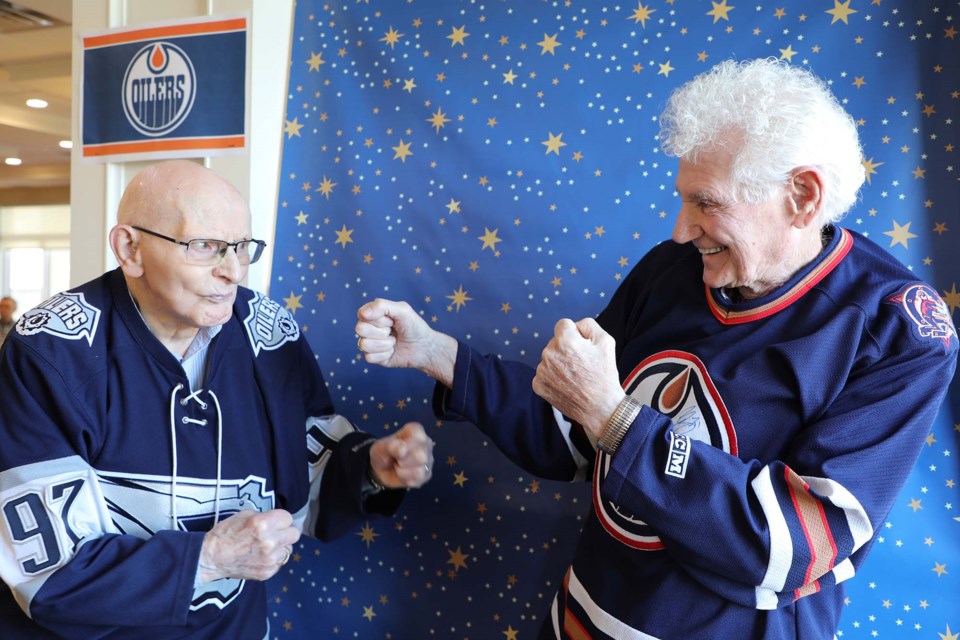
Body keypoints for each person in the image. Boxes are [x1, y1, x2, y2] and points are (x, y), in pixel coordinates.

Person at [356, 58, 958, 639]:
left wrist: (616, 419)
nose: (680, 228)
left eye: (707, 203)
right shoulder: (672, 270)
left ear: (801, 196)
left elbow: (792, 546)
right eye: (684, 197)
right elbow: (568, 428)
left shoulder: (895, 332)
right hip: (581, 619)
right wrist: (437, 353)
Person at [0, 160, 434, 639]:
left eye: (242, 248)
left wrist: (371, 467)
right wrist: (206, 559)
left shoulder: (269, 333)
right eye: (204, 246)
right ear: (130, 248)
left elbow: (304, 471)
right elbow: (49, 578)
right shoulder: (51, 350)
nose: (232, 271)